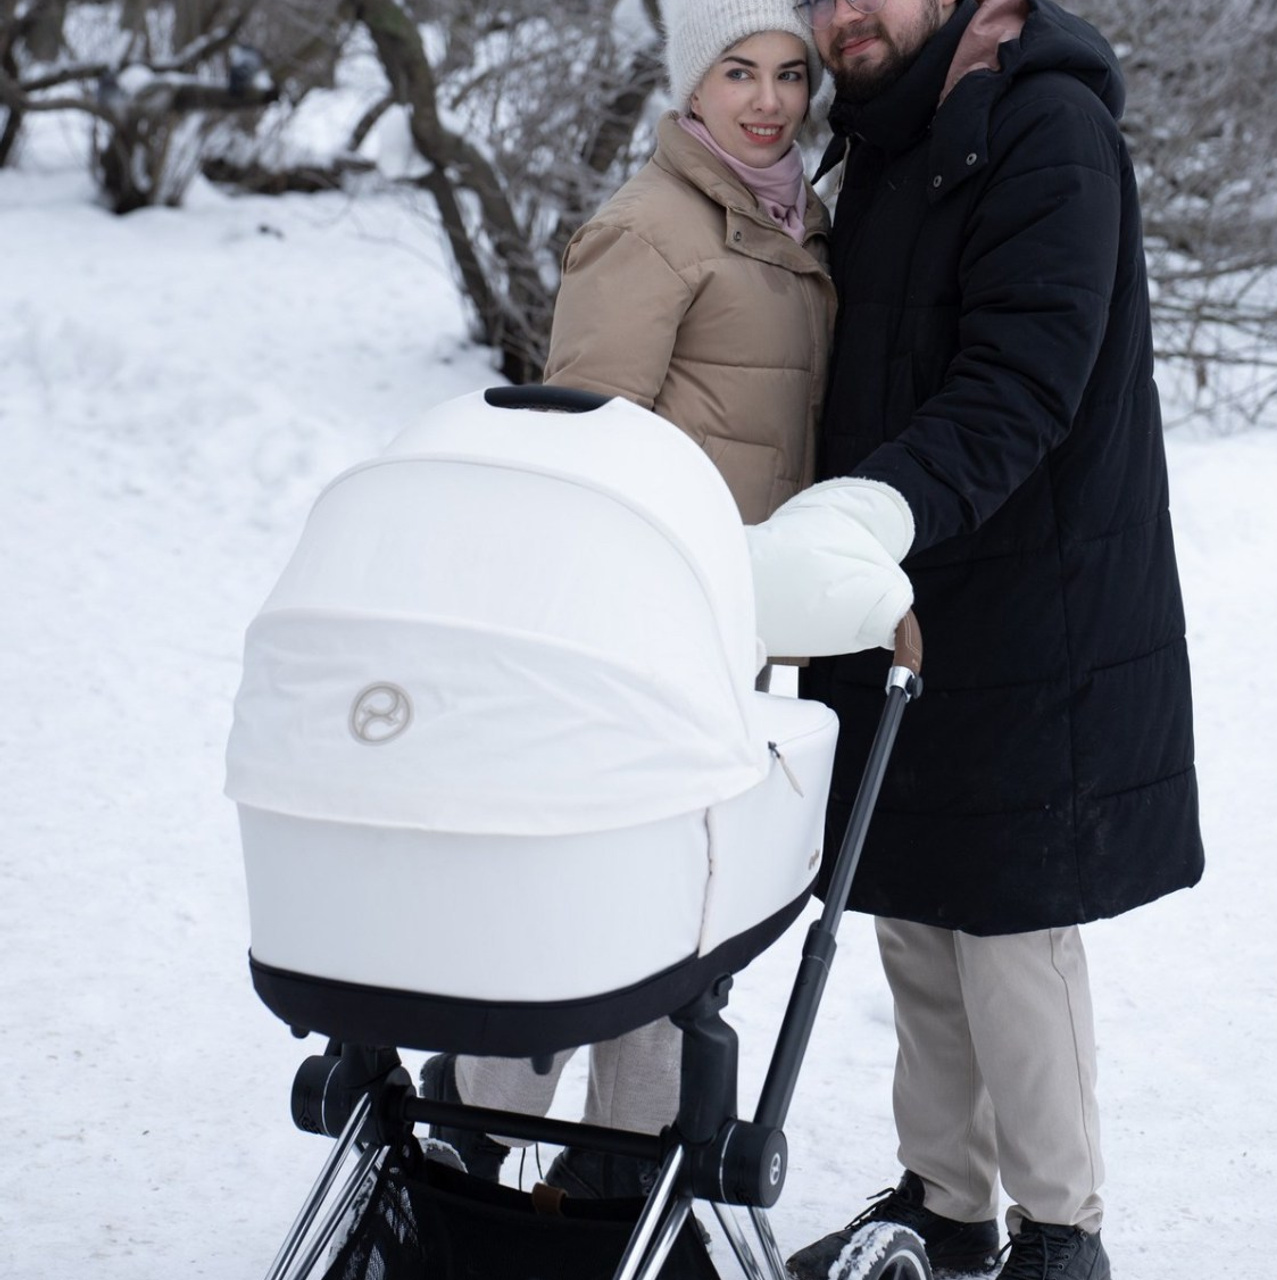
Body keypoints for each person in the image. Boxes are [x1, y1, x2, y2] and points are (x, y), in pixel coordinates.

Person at [742, 0, 1204, 1277]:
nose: (845, 15)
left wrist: (870, 508)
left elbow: (1021, 380)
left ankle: (1061, 1235)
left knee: (1008, 929)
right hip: (899, 602)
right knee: (914, 911)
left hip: (1029, 601)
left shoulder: (1042, 128)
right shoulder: (885, 134)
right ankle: (943, 1202)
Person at [419, 0, 836, 1200]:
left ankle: (617, 1183)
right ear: (688, 86)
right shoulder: (650, 228)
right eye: (736, 72)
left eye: (788, 74)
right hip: (630, 629)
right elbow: (578, 451)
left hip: (724, 626)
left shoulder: (784, 218)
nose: (766, 100)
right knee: (598, 910)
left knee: (678, 917)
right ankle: (470, 1128)